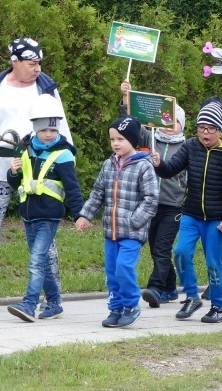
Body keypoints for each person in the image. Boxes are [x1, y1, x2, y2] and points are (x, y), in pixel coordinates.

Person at [0, 38, 72, 314]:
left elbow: (62, 129)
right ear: (15, 62)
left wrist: (65, 160)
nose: (37, 68)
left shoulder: (46, 88)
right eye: (31, 63)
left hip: (35, 174)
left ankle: (51, 296)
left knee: (41, 236)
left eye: (39, 63)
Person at [153, 96, 222, 323]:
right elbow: (171, 169)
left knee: (214, 262)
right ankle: (191, 297)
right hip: (191, 214)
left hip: (215, 218)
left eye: (211, 128)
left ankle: (219, 306)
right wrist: (158, 164)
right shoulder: (191, 146)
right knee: (181, 253)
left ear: (221, 130)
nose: (205, 133)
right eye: (201, 127)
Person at [6, 94, 85, 322]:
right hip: (28, 215)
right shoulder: (25, 150)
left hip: (49, 217)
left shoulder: (63, 155)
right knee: (41, 261)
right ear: (35, 129)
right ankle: (54, 303)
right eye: (44, 130)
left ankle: (30, 304)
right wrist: (13, 172)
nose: (49, 134)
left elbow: (72, 188)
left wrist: (80, 214)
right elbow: (16, 183)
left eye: (53, 129)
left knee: (36, 260)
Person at [75, 116, 159, 327]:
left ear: (132, 140)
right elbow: (98, 194)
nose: (116, 143)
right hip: (110, 231)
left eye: (121, 139)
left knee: (123, 267)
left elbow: (151, 199)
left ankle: (131, 305)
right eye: (112, 139)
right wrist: (85, 215)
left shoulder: (144, 166)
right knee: (112, 272)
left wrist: (134, 221)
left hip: (132, 231)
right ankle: (116, 308)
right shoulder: (108, 165)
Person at [120, 80, 187, 308]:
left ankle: (156, 288)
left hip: (173, 206)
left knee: (162, 248)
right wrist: (126, 100)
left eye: (173, 122)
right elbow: (132, 127)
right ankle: (170, 287)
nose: (168, 126)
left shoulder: (187, 147)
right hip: (150, 204)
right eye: (164, 120)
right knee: (154, 247)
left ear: (182, 124)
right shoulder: (151, 138)